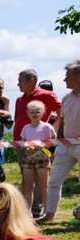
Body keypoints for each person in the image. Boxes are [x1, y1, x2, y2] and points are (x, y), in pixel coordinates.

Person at [14, 69, 61, 218]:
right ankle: (27, 210)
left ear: (31, 81)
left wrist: (52, 128)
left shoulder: (46, 95)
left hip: (41, 148)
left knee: (42, 180)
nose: (17, 84)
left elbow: (61, 110)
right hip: (21, 144)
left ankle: (38, 209)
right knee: (26, 178)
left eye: (20, 81)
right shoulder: (20, 99)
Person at [48, 60, 80, 223]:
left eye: (67, 76)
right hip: (65, 146)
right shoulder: (66, 98)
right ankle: (49, 215)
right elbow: (63, 121)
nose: (64, 80)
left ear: (78, 77)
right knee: (53, 181)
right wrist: (59, 142)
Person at [19, 101, 57, 213]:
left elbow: (54, 140)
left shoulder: (47, 126)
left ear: (42, 113)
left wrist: (43, 145)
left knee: (45, 187)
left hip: (42, 159)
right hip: (28, 159)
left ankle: (47, 211)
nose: (35, 114)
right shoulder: (25, 128)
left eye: (37, 112)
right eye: (32, 112)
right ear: (28, 113)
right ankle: (27, 213)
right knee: (28, 187)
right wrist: (27, 147)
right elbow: (23, 143)